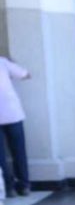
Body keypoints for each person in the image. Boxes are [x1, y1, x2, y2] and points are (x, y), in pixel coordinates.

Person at [0, 55, 31, 196]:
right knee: (19, 151)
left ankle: (9, 187)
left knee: (1, 156)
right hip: (13, 114)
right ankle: (24, 185)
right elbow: (26, 75)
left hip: (11, 114)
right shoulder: (2, 62)